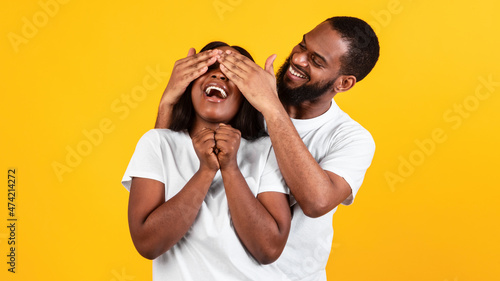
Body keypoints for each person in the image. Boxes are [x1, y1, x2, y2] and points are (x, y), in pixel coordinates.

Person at [155, 16, 380, 281]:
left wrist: (271, 107)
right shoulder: (243, 100)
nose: (298, 59)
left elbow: (318, 202)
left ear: (343, 84)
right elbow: (169, 162)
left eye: (317, 61)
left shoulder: (351, 138)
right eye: (302, 45)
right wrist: (168, 103)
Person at [123, 41, 291, 281]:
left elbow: (268, 249)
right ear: (189, 85)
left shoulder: (266, 149)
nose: (219, 74)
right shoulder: (156, 143)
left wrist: (230, 168)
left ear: (247, 95)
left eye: (233, 73)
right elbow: (147, 244)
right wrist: (206, 171)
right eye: (209, 67)